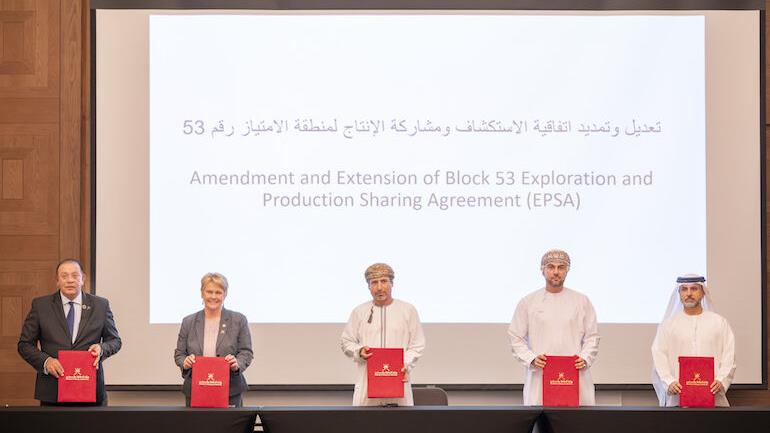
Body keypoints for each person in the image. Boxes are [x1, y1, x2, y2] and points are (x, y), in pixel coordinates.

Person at [17, 259, 122, 405]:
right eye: (64, 276)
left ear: (83, 279)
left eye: (75, 275)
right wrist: (46, 362)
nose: (70, 280)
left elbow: (115, 341)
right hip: (53, 390)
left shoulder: (100, 305)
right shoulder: (41, 306)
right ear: (57, 281)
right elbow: (24, 344)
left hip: (90, 389)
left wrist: (102, 348)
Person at [508, 249, 600, 405]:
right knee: (541, 418)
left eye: (561, 267)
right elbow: (515, 336)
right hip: (540, 375)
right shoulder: (528, 302)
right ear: (542, 270)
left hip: (575, 374)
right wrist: (531, 359)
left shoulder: (581, 301)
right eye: (551, 267)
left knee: (577, 419)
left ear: (567, 270)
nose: (556, 272)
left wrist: (585, 358)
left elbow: (592, 336)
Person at [340, 263, 426, 406]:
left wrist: (405, 363)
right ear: (368, 286)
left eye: (384, 281)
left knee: (401, 420)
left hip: (398, 380)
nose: (379, 287)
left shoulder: (408, 310)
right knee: (364, 420)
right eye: (374, 282)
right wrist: (359, 351)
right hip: (367, 384)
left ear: (392, 283)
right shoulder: (359, 312)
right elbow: (346, 341)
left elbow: (417, 343)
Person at [651, 274, 736, 407]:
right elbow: (659, 355)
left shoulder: (719, 323)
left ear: (703, 293)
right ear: (679, 294)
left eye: (694, 289)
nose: (689, 293)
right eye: (684, 289)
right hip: (677, 398)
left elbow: (729, 356)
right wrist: (669, 382)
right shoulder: (668, 325)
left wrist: (721, 380)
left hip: (713, 396)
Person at [174, 272, 253, 407]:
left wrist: (237, 364)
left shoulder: (239, 320)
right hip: (196, 390)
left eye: (218, 292)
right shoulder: (188, 321)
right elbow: (179, 354)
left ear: (225, 294)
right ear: (202, 293)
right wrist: (185, 363)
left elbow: (246, 352)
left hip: (230, 391)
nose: (213, 296)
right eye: (209, 292)